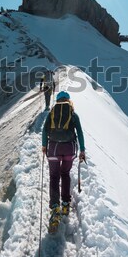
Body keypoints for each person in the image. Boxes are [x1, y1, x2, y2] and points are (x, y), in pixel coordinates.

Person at [42, 91, 85, 232]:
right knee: (65, 174)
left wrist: (44, 146)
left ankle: (55, 209)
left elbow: (44, 130)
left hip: (53, 148)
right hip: (69, 149)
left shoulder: (52, 113)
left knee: (54, 177)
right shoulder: (73, 113)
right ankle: (66, 204)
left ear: (58, 101)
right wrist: (82, 150)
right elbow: (79, 132)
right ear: (67, 100)